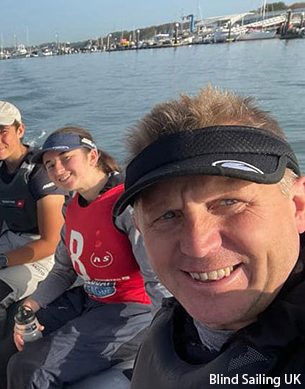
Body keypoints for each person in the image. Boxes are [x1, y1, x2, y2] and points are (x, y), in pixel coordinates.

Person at [111, 88, 305, 387]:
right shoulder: (168, 333)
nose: (198, 246)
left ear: (298, 206)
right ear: (139, 227)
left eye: (228, 202)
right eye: (168, 215)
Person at [1, 126, 169, 389]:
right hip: (90, 298)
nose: (57, 169)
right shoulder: (72, 208)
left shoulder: (127, 206)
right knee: (9, 341)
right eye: (50, 164)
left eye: (66, 158)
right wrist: (30, 306)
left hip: (130, 313)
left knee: (30, 370)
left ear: (92, 156)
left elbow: (157, 277)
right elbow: (62, 272)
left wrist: (170, 333)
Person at [0, 101, 67, 321]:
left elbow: (51, 242)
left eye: (3, 132)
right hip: (11, 240)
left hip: (45, 254)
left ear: (20, 130)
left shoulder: (40, 174)